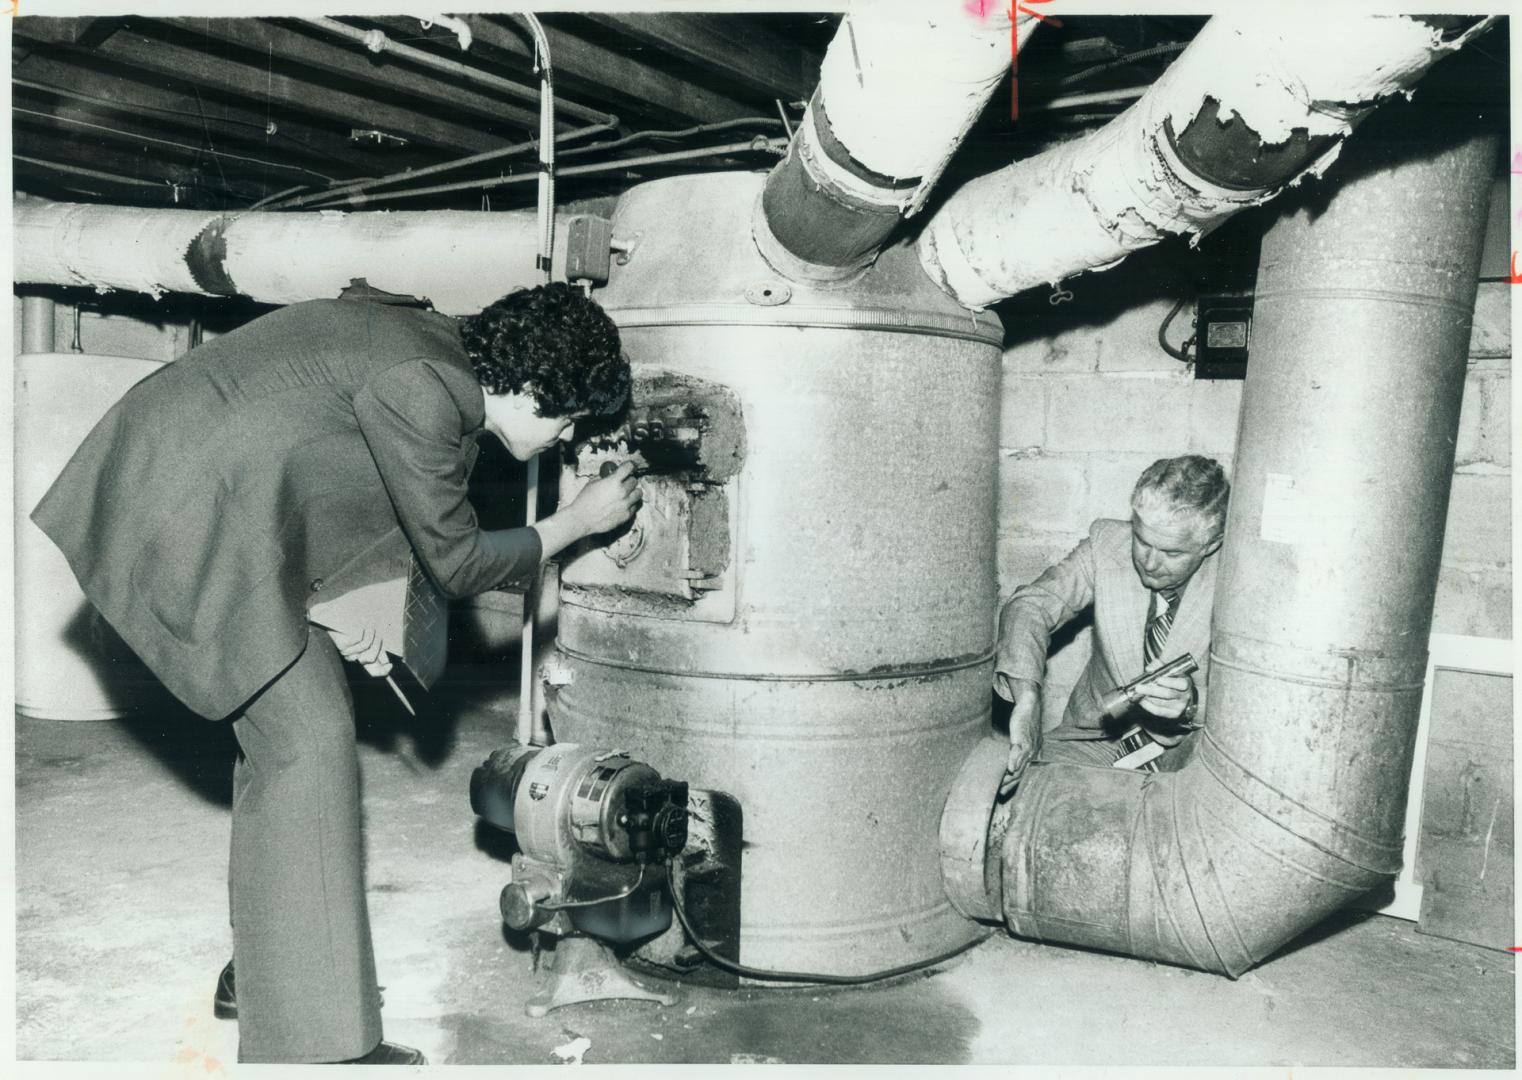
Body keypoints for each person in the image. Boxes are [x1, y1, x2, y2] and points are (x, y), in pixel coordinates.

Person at [31, 283, 641, 1065]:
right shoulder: (424, 388)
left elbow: (354, 468)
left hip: (223, 491)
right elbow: (455, 562)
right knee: (308, 743)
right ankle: (315, 1051)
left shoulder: (442, 355)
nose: (564, 438)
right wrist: (575, 523)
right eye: (565, 418)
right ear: (528, 386)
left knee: (290, 752)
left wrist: (347, 598)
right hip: (187, 505)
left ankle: (268, 978)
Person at [994, 455, 1229, 792]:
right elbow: (1029, 606)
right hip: (1095, 742)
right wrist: (1027, 699)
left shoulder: (1239, 580)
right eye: (1142, 541)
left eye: (1172, 553)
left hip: (1194, 754)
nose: (1149, 562)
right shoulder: (1106, 545)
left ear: (1211, 545)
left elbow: (1266, 705)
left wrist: (1193, 703)